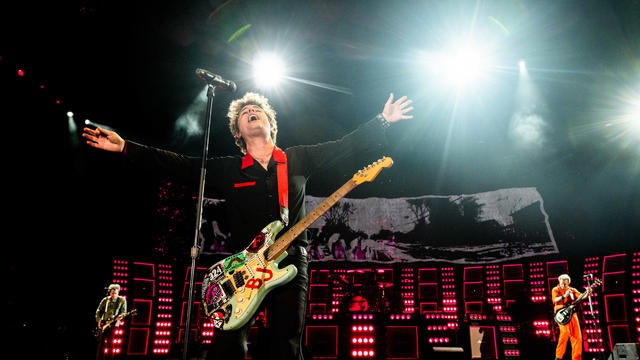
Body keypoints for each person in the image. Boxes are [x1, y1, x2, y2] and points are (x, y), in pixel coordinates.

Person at [82, 91, 414, 360]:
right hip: (240, 267)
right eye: (245, 112)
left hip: (290, 260)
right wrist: (126, 146)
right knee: (227, 344)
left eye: (258, 109)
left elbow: (345, 147)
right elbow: (179, 165)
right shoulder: (229, 169)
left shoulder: (297, 159)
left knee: (286, 342)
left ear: (271, 123)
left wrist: (382, 120)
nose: (252, 111)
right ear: (238, 132)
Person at [551, 273, 592, 360]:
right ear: (559, 281)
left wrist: (587, 293)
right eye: (561, 282)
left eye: (565, 283)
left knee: (577, 337)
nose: (563, 284)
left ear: (568, 282)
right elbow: (555, 300)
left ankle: (576, 358)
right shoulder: (555, 289)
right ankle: (558, 357)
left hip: (572, 314)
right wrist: (564, 296)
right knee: (565, 333)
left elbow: (581, 296)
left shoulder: (572, 290)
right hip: (561, 314)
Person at [95, 283, 128, 360]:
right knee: (101, 344)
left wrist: (121, 316)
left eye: (115, 293)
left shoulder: (122, 300)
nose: (113, 295)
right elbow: (99, 311)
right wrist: (98, 321)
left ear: (118, 292)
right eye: (112, 293)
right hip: (103, 324)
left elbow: (124, 312)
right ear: (109, 292)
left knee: (110, 343)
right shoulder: (105, 300)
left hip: (113, 324)